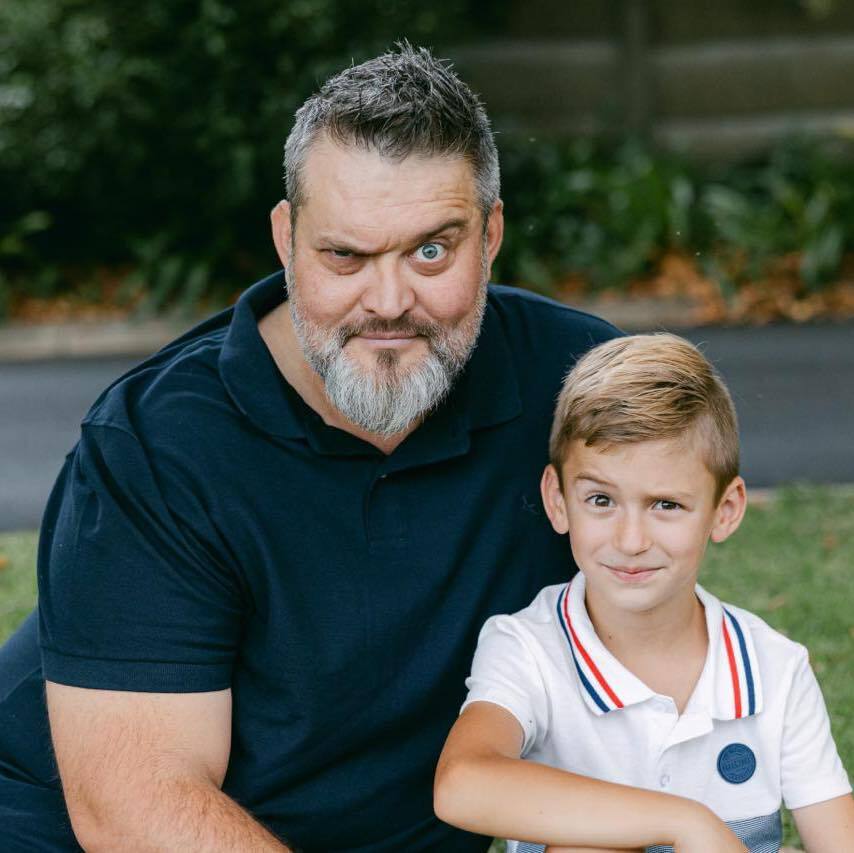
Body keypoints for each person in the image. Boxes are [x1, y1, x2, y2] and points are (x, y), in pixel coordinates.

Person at [0, 44, 624, 851]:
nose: (389, 302)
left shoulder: (580, 385)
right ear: (286, 238)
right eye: (345, 255)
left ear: (491, 234)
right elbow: (138, 808)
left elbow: (641, 660)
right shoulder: (156, 447)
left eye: (431, 250)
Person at [434, 333, 854, 852]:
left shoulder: (775, 668)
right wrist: (686, 822)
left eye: (665, 505)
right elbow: (462, 784)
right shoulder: (528, 648)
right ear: (558, 500)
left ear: (725, 511)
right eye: (601, 500)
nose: (630, 541)